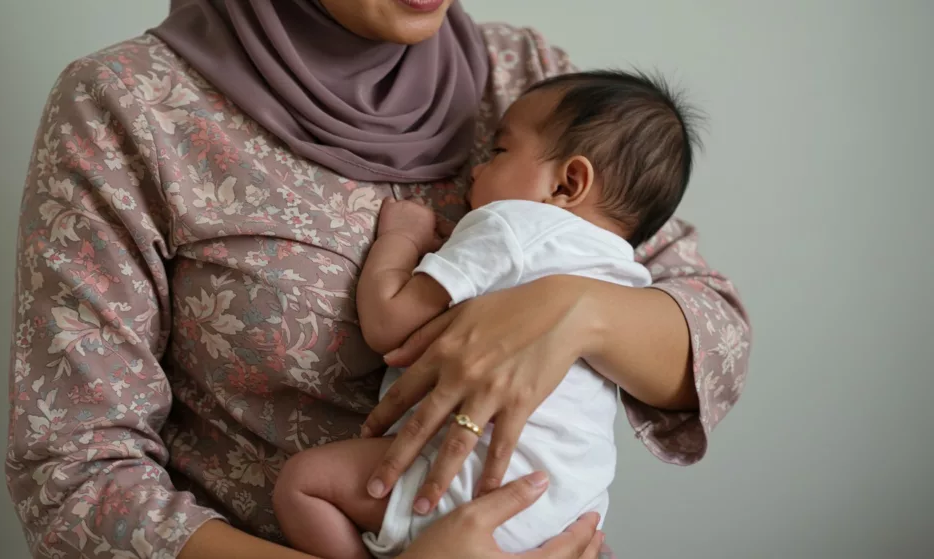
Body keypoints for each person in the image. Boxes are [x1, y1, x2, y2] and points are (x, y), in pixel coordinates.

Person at [4, 1, 751, 558]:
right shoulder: (128, 107)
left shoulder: (528, 81)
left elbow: (711, 333)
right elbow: (74, 478)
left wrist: (576, 310)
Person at [273, 70, 698, 559]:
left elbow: (387, 324)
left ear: (568, 182)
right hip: (565, 508)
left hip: (467, 480)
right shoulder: (628, 273)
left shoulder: (510, 224)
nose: (475, 171)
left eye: (498, 153)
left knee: (302, 485)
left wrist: (401, 240)